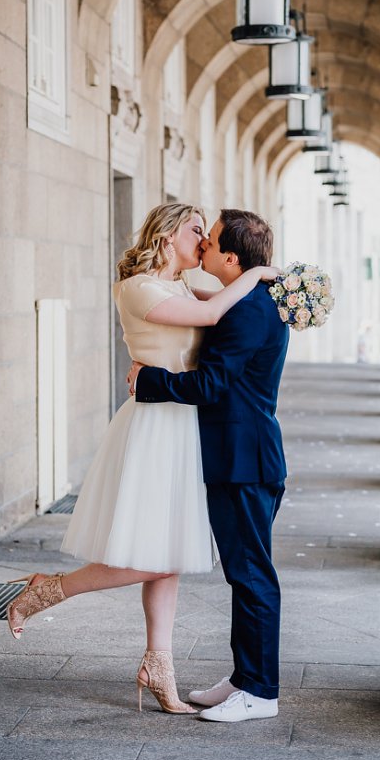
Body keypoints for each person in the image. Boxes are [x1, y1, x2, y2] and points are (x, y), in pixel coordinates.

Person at [6, 202, 278, 715]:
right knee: (153, 555)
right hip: (155, 424)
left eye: (208, 234)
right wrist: (263, 273)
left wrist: (267, 286)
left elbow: (225, 301)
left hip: (184, 425)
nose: (203, 241)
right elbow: (215, 313)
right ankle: (49, 590)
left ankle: (159, 665)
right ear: (168, 232)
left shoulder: (179, 285)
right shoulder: (139, 288)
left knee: (168, 556)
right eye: (197, 230)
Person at [128, 209, 290, 723]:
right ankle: (245, 678)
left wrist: (147, 382)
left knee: (252, 575)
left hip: (245, 460)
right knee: (245, 573)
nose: (203, 245)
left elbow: (210, 386)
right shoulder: (246, 301)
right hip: (240, 457)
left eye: (211, 238)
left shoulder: (245, 311)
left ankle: (260, 692)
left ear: (231, 258)